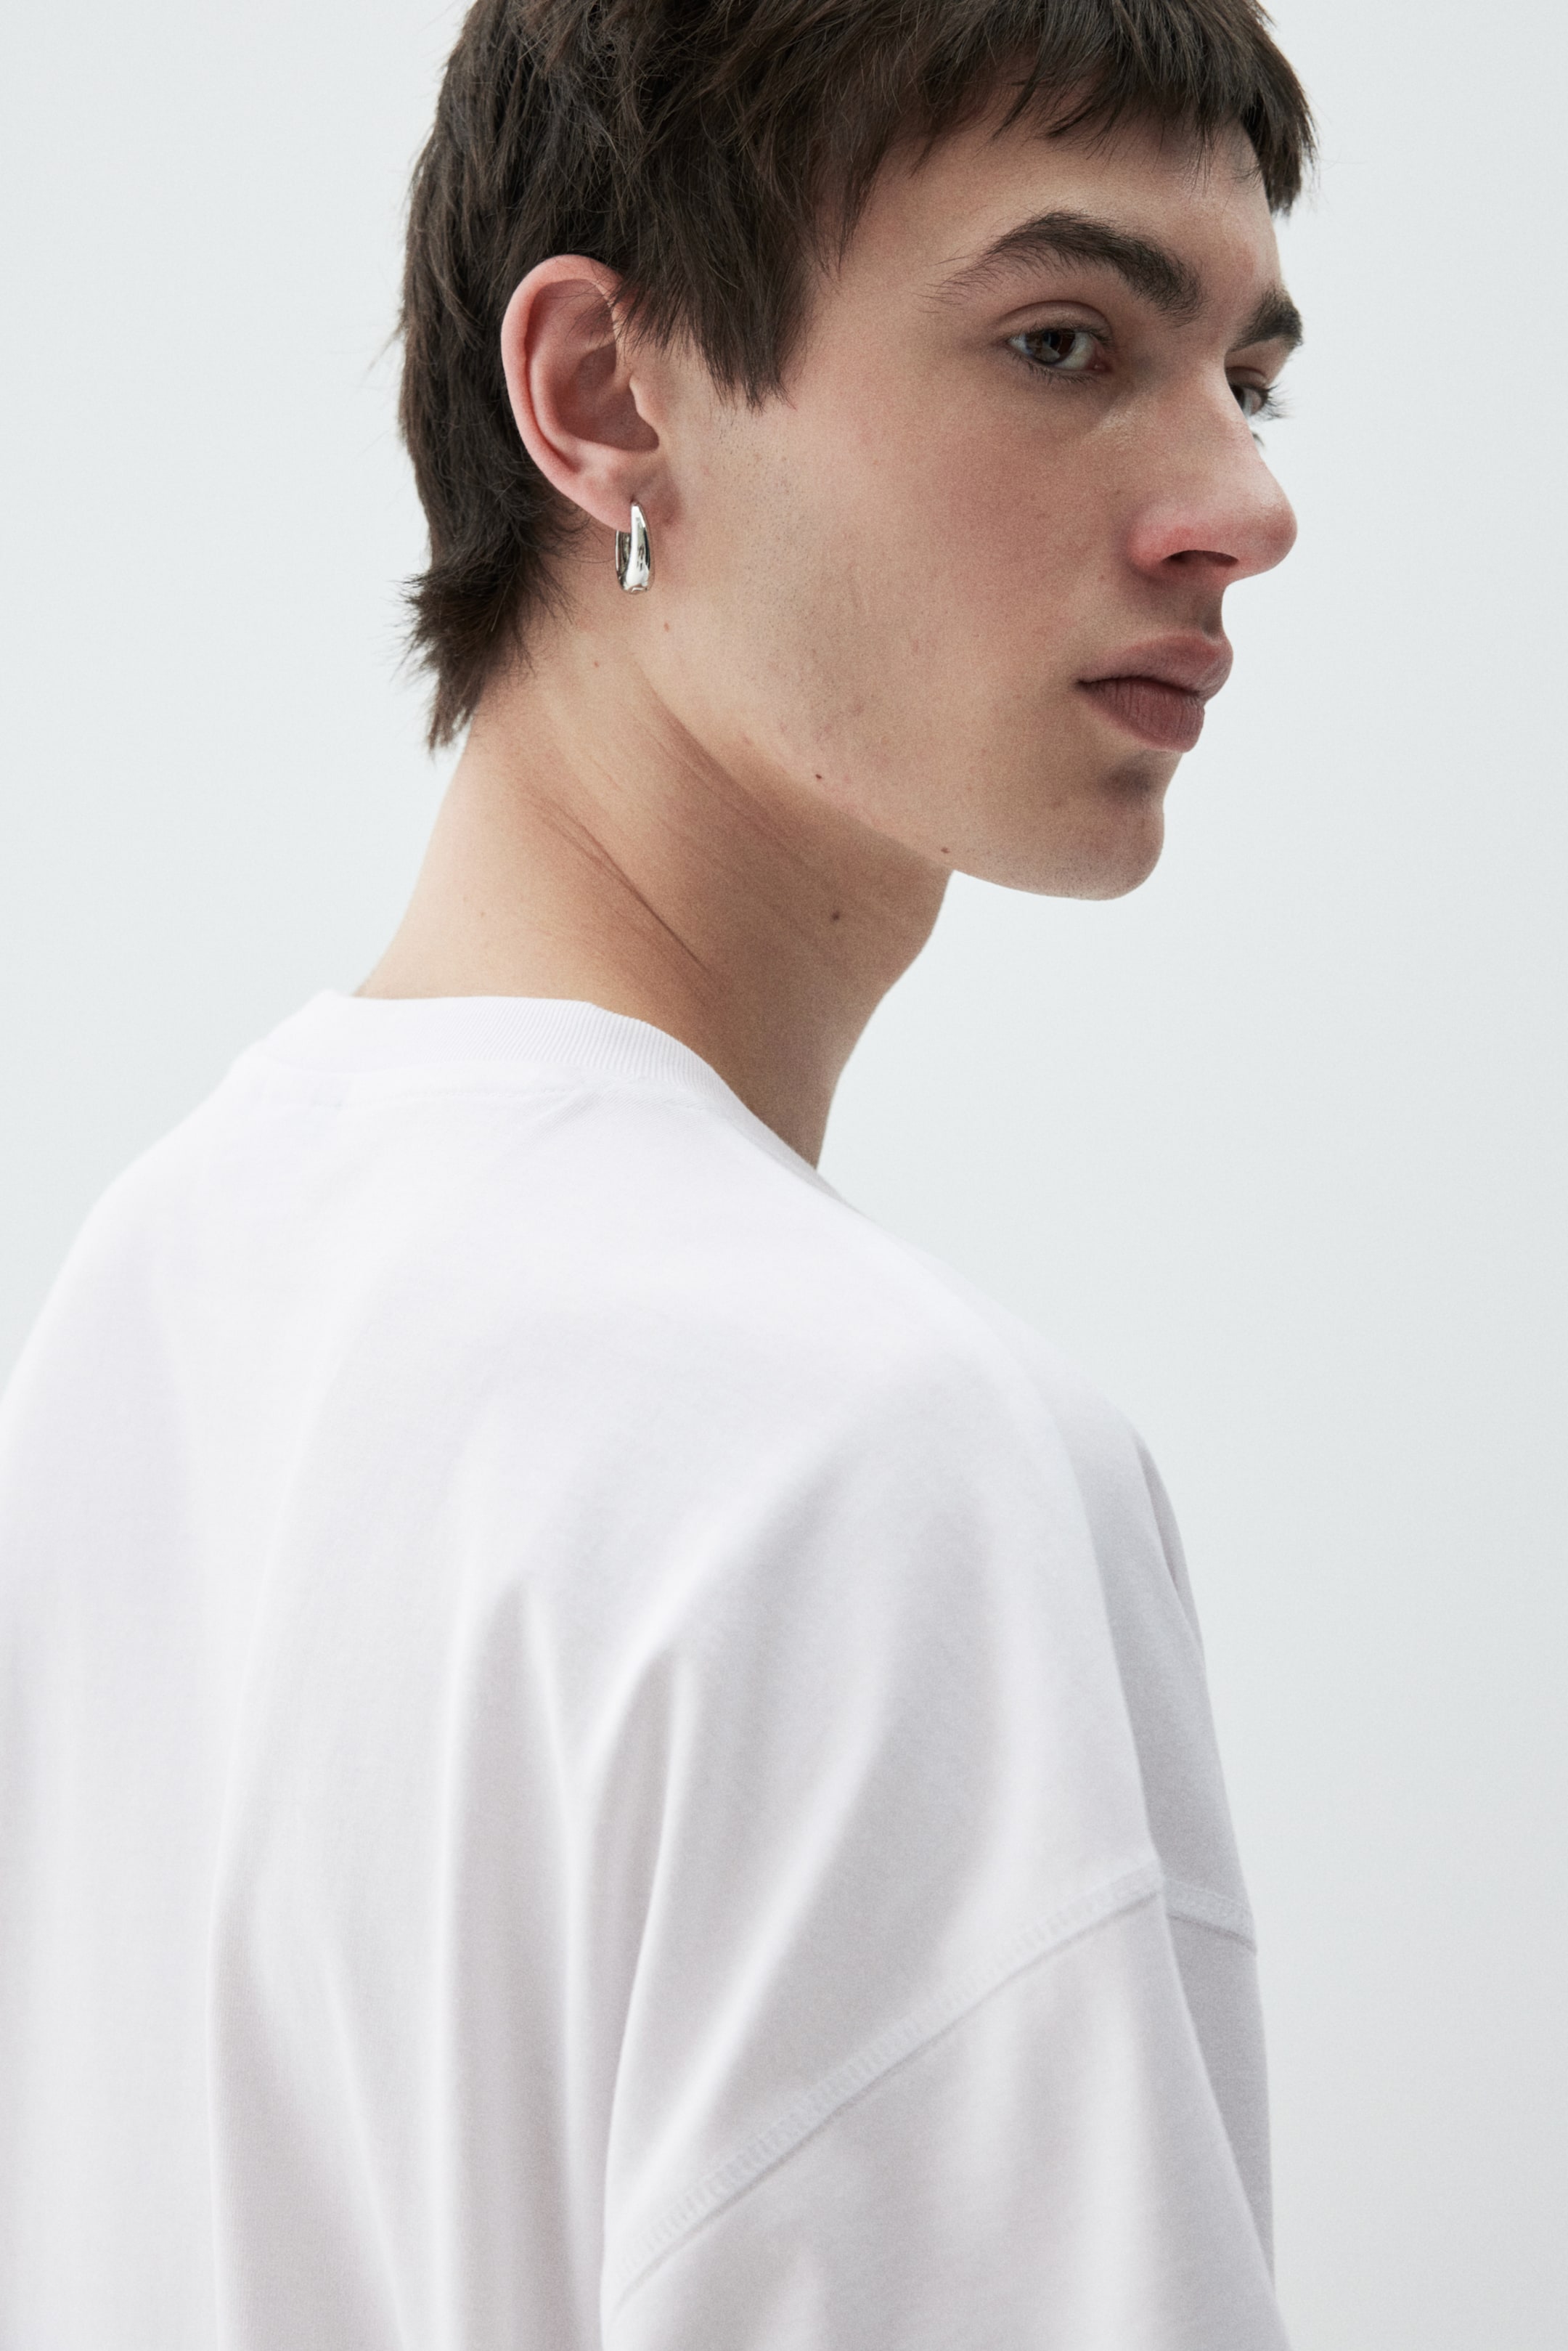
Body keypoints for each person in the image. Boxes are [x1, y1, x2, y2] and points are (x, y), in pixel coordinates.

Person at [0, 0, 1312, 2342]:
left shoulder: (156, 1285)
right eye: (1063, 341)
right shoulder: (884, 1460)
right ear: (608, 395)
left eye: (1250, 376)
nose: (1243, 502)